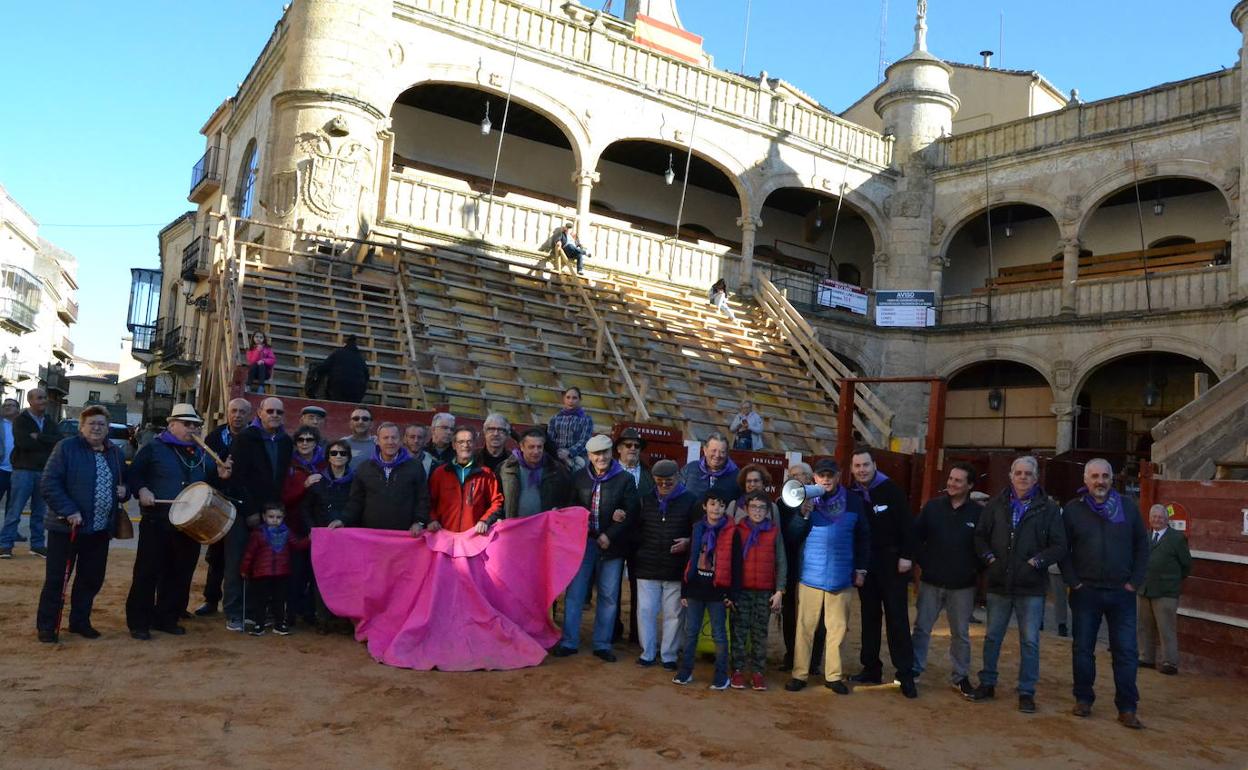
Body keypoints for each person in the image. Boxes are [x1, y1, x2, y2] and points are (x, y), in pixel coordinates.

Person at [125, 403, 233, 639]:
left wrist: (222, 476)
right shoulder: (153, 448)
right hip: (157, 521)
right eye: (187, 424)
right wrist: (142, 489)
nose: (192, 428)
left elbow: (212, 483)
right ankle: (139, 622)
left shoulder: (202, 453)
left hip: (190, 525)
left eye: (195, 425)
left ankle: (167, 618)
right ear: (171, 424)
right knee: (147, 573)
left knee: (179, 574)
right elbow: (134, 474)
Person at [967, 455, 1066, 713]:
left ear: (1035, 478)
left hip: (1031, 585)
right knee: (992, 637)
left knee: (1030, 641)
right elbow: (980, 537)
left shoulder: (1049, 509)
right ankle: (987, 683)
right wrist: (990, 559)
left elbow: (1059, 545)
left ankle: (1026, 691)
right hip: (999, 581)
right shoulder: (996, 505)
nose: (1023, 477)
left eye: (1028, 474)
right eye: (1018, 473)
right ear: (1011, 476)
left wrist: (1037, 562)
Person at [1060, 458, 1149, 729]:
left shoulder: (1128, 508)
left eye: (1105, 476)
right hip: (1085, 591)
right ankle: (1083, 699)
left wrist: (1134, 582)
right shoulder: (1073, 510)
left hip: (1121, 593)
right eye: (1095, 476)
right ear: (1086, 480)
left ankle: (1127, 707)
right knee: (1083, 649)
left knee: (1126, 651)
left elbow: (1142, 548)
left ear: (1112, 479)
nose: (1100, 481)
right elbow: (1063, 550)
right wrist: (1074, 582)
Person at [35, 405, 127, 642]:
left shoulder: (114, 453)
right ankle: (47, 626)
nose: (97, 428)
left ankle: (80, 621)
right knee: (58, 579)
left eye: (102, 424)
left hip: (99, 530)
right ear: (81, 427)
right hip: (67, 527)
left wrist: (124, 491)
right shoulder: (66, 448)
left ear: (108, 428)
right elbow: (49, 483)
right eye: (92, 423)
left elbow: (124, 485)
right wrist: (69, 510)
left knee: (90, 578)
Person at [783, 459, 870, 695]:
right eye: (821, 475)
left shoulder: (854, 501)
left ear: (839, 475)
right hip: (811, 575)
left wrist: (861, 569)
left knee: (837, 630)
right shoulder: (805, 499)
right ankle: (799, 674)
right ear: (815, 479)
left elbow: (863, 537)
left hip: (841, 575)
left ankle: (833, 676)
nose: (826, 479)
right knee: (805, 628)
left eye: (830, 475)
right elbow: (792, 538)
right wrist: (802, 516)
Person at [552, 434, 638, 661]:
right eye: (596, 454)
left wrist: (609, 536)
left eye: (605, 452)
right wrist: (594, 534)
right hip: (584, 543)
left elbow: (631, 513)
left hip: (613, 545)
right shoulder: (579, 478)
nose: (601, 457)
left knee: (609, 596)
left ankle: (602, 643)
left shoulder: (625, 480)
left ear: (612, 453)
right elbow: (572, 510)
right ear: (589, 455)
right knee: (575, 594)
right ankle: (570, 641)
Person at [848, 447, 918, 698]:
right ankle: (871, 667)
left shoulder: (891, 490)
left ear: (874, 465)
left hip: (893, 564)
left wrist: (907, 556)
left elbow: (908, 527)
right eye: (857, 466)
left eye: (865, 465)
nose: (862, 470)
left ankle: (905, 674)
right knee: (869, 616)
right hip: (867, 565)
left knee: (897, 618)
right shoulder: (852, 493)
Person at [910, 463, 983, 696]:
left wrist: (972, 571)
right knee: (922, 628)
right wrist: (925, 562)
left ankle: (960, 677)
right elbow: (915, 537)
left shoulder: (978, 514)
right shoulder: (932, 508)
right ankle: (913, 670)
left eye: (958, 481)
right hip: (931, 581)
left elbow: (983, 548)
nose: (952, 483)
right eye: (951, 479)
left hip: (962, 586)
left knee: (961, 633)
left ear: (969, 486)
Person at [222, 397, 293, 632]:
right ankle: (234, 611)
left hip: (271, 515)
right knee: (237, 562)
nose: (274, 415)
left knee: (263, 565)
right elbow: (237, 478)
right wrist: (250, 510)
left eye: (279, 411)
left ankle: (256, 610)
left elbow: (281, 478)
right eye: (270, 410)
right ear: (260, 413)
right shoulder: (245, 439)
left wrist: (273, 513)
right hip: (245, 512)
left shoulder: (285, 441)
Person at [673, 488, 740, 689]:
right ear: (704, 506)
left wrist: (732, 593)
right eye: (712, 504)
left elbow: (736, 563)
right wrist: (685, 589)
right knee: (691, 631)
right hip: (695, 588)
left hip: (718, 590)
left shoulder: (731, 531)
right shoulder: (697, 528)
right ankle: (686, 671)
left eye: (721, 504)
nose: (716, 508)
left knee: (719, 633)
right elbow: (690, 559)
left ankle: (721, 675)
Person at [632, 459, 695, 670]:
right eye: (659, 481)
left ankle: (668, 655)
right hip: (648, 563)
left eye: (668, 481)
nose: (664, 485)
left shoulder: (690, 500)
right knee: (646, 611)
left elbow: (698, 532)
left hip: (675, 566)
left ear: (677, 477)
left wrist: (688, 541)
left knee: (673, 614)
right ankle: (647, 652)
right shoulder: (645, 500)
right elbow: (637, 529)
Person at [196, 397, 252, 617]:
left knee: (242, 557)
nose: (237, 415)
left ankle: (241, 603)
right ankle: (211, 600)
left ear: (250, 415)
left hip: (244, 504)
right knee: (216, 555)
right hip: (218, 502)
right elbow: (206, 469)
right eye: (234, 411)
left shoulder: (254, 439)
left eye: (242, 412)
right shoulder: (214, 437)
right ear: (228, 413)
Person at [729, 490, 787, 691]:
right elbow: (730, 560)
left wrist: (779, 590)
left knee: (760, 633)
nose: (758, 511)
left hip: (764, 591)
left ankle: (757, 672)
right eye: (753, 506)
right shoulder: (737, 529)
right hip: (741, 590)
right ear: (746, 508)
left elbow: (781, 561)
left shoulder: (774, 531)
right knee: (739, 631)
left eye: (762, 507)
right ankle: (737, 670)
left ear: (768, 511)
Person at [333, 422, 430, 532]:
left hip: (404, 535)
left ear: (401, 441)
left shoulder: (415, 466)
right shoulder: (364, 468)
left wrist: (419, 521)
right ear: (377, 441)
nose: (390, 442)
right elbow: (356, 501)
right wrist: (343, 520)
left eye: (394, 438)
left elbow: (422, 498)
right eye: (385, 438)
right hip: (371, 535)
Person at [301, 439, 355, 632]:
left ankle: (342, 619)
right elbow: (305, 509)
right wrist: (312, 529)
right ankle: (322, 619)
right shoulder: (318, 481)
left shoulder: (355, 482)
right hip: (322, 538)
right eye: (334, 453)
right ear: (328, 457)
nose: (338, 456)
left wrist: (346, 522)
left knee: (345, 579)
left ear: (348, 457)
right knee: (321, 578)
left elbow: (357, 507)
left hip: (347, 539)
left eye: (342, 453)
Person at [1, 388, 60, 559]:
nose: (44, 401)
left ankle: (37, 545)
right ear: (30, 401)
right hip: (23, 471)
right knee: (15, 510)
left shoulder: (49, 421)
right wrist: (46, 441)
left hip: (43, 471)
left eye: (45, 398)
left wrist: (39, 437)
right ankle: (5, 545)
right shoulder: (21, 421)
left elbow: (59, 440)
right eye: (40, 398)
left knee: (40, 511)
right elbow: (24, 442)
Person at [1138, 503, 1192, 677]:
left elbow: (1186, 565)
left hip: (1166, 591)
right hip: (1145, 588)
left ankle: (1170, 662)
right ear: (1149, 519)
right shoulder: (1146, 536)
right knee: (1145, 626)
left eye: (1160, 517)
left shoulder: (1176, 538)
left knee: (1166, 627)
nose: (1157, 520)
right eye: (1154, 517)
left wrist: (1172, 581)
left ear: (1167, 519)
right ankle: (1147, 657)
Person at [777, 461, 818, 672]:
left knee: (816, 617)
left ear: (810, 479)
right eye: (791, 474)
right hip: (794, 568)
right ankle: (791, 655)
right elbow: (789, 538)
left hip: (818, 569)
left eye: (800, 475)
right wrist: (802, 516)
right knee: (791, 615)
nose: (794, 478)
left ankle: (814, 661)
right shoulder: (783, 502)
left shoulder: (822, 499)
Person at [241, 503, 305, 637]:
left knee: (280, 600)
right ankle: (259, 623)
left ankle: (279, 624)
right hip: (262, 573)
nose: (275, 520)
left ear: (283, 518)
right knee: (261, 600)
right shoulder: (258, 533)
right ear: (264, 517)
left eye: (278, 517)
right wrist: (245, 569)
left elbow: (298, 545)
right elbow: (249, 554)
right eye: (271, 516)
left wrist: (310, 538)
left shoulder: (287, 532)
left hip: (281, 573)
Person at [283, 426, 325, 627]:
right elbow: (283, 498)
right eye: (301, 440)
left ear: (316, 442)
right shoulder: (288, 464)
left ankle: (309, 612)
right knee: (295, 572)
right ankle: (290, 614)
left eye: (309, 439)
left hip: (319, 528)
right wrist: (304, 486)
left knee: (315, 572)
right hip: (294, 526)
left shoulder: (326, 463)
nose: (305, 443)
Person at [427, 426, 504, 534]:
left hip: (474, 538)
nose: (465, 445)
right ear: (454, 445)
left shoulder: (486, 474)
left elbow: (497, 502)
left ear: (475, 444)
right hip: (444, 536)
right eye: (461, 442)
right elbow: (428, 501)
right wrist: (432, 519)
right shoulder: (440, 473)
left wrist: (485, 521)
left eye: (469, 441)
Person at [498, 428, 572, 519]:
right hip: (514, 527)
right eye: (531, 447)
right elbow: (496, 499)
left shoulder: (556, 470)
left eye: (539, 447)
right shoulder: (506, 469)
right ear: (522, 447)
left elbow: (569, 498)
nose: (536, 451)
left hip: (544, 527)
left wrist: (559, 510)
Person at [309, 335, 370, 403]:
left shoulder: (338, 353)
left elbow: (324, 367)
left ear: (345, 343)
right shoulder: (360, 357)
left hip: (339, 386)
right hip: (358, 390)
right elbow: (367, 375)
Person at [679, 433, 740, 501]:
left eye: (722, 452)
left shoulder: (736, 475)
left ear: (727, 453)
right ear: (705, 450)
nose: (717, 455)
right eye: (714, 450)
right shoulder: (690, 469)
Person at [547, 388, 592, 471]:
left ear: (580, 400)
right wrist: (559, 452)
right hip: (557, 454)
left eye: (574, 398)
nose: (570, 401)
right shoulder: (555, 418)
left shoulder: (586, 419)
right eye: (568, 397)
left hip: (578, 456)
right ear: (564, 399)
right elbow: (550, 439)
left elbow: (585, 440)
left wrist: (569, 452)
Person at [614, 428, 653, 495]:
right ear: (619, 449)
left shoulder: (650, 473)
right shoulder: (609, 470)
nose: (633, 448)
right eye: (628, 445)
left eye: (637, 446)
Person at [0, 398, 17, 533]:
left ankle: (10, 532)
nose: (7, 407)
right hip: (1, 469)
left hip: (17, 471)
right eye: (5, 405)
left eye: (11, 405)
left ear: (17, 409)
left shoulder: (22, 425)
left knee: (13, 505)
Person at [340, 407, 375, 472]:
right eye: (356, 419)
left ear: (371, 424)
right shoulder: (341, 443)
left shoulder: (379, 444)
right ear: (350, 423)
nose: (360, 422)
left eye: (365, 419)